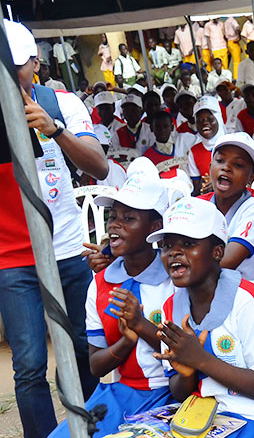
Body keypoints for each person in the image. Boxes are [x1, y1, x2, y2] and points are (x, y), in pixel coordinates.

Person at [1, 19, 107, 437]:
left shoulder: (61, 104)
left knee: (83, 348)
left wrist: (54, 128)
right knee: (28, 364)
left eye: (17, 66)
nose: (9, 76)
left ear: (35, 62)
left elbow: (98, 165)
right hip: (12, 260)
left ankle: (90, 428)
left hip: (67, 251)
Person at [148, 197, 254, 438]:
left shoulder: (251, 303)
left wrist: (200, 360)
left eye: (188, 243)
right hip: (202, 415)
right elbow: (178, 391)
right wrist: (186, 371)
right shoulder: (171, 308)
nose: (174, 252)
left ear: (217, 252)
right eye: (166, 246)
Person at [48, 173, 174, 438]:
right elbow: (96, 365)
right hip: (122, 393)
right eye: (113, 216)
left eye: (128, 218)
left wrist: (141, 326)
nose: (115, 225)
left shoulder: (175, 279)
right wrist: (126, 342)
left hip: (173, 393)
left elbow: (190, 355)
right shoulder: (101, 283)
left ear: (154, 227)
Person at [197, 133, 254, 282]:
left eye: (238, 165)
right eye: (220, 160)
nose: (226, 168)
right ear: (210, 167)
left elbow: (227, 262)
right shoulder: (199, 205)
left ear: (251, 177)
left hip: (247, 292)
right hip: (204, 288)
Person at [187, 95, 227, 194]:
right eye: (200, 120)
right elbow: (197, 188)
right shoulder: (194, 152)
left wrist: (216, 183)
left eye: (209, 119)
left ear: (218, 119)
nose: (204, 123)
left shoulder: (231, 145)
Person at [143, 111, 196, 178]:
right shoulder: (148, 156)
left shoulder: (186, 142)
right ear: (151, 128)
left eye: (166, 126)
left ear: (172, 127)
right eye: (157, 126)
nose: (162, 130)